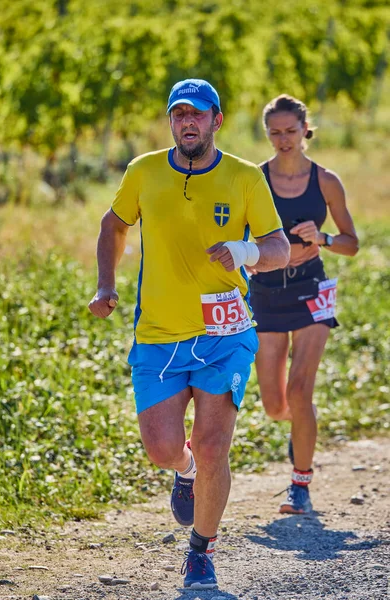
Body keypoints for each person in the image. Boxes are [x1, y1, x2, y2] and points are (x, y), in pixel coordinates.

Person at [88, 78, 290, 589]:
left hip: (224, 333)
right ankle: (184, 471)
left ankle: (201, 549)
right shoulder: (145, 171)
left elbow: (279, 249)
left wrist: (244, 253)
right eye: (179, 114)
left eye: (197, 114)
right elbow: (113, 225)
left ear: (216, 121)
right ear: (171, 121)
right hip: (158, 334)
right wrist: (106, 286)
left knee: (213, 443)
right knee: (161, 447)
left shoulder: (244, 177)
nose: (188, 122)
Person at [248, 94, 359, 514]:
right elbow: (240, 238)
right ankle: (303, 422)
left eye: (290, 131)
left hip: (313, 289)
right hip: (268, 293)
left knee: (300, 390)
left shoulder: (326, 181)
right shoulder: (254, 180)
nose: (283, 139)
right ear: (267, 134)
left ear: (305, 129)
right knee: (277, 405)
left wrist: (324, 238)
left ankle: (301, 485)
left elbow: (352, 244)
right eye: (274, 132)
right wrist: (255, 257)